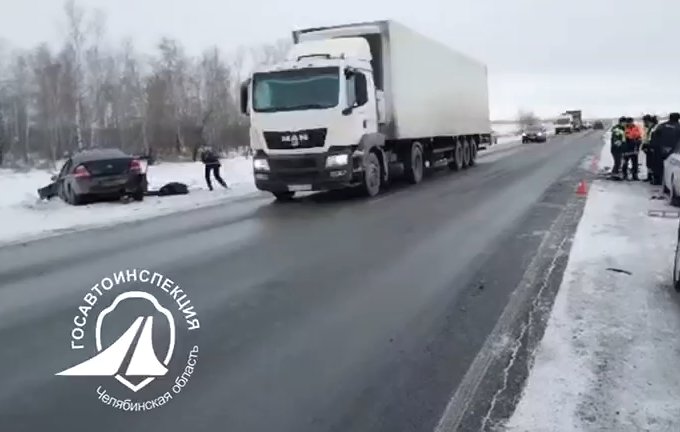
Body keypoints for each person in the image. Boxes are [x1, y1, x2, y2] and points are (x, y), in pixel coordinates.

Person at [648, 112, 680, 185]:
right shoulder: (678, 127)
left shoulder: (661, 126)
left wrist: (652, 146)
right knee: (670, 167)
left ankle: (656, 180)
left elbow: (653, 136)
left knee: (657, 164)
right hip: (673, 150)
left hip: (659, 148)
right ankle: (666, 182)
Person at [641, 114, 659, 182]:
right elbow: (647, 138)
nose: (644, 123)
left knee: (651, 163)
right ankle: (649, 176)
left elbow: (652, 139)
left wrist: (648, 146)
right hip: (648, 147)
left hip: (652, 148)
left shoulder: (654, 128)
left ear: (648, 121)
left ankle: (653, 177)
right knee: (649, 163)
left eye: (644, 122)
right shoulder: (650, 128)